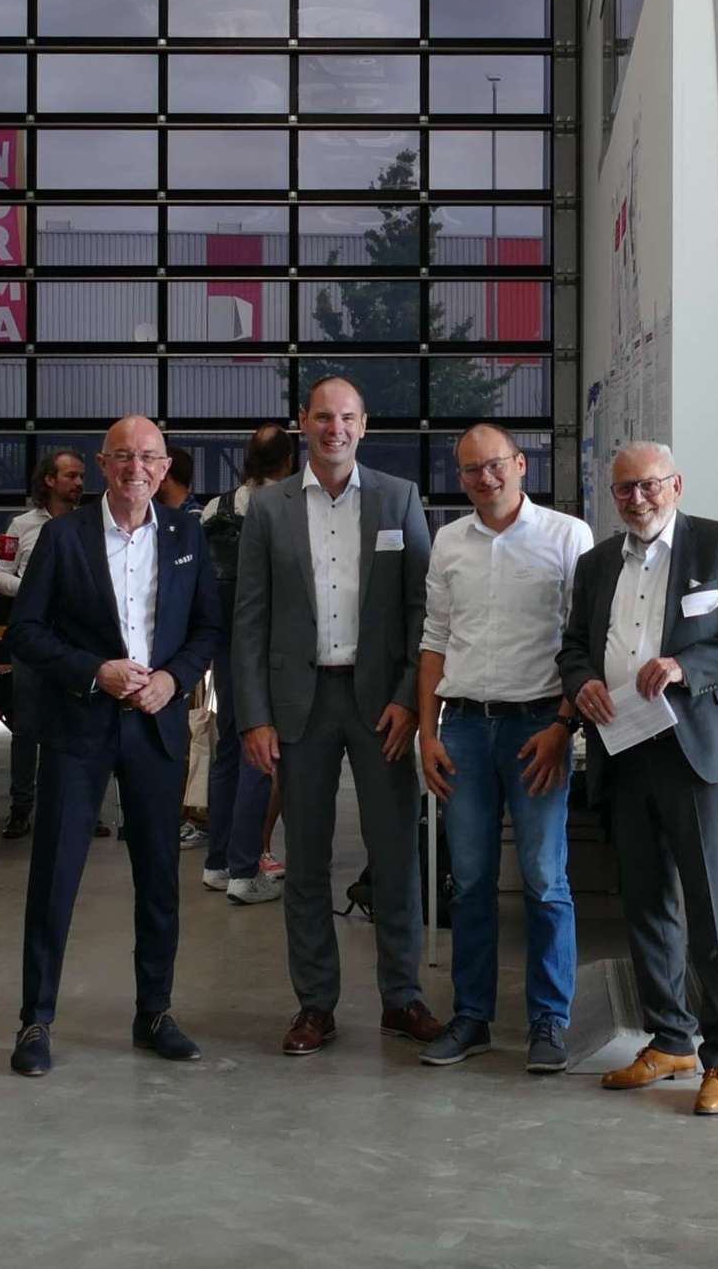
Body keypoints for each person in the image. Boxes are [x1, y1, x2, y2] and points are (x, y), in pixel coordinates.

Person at [231, 374, 443, 1057]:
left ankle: (402, 996)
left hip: (380, 701)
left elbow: (424, 611)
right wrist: (254, 716)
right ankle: (314, 1004)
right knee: (307, 861)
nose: (335, 428)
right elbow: (249, 620)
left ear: (364, 423)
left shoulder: (397, 497)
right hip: (302, 703)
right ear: (303, 422)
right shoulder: (267, 510)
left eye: (347, 416)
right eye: (323, 416)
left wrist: (411, 696)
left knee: (395, 855)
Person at [5, 416, 224, 1076]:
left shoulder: (187, 535)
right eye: (124, 455)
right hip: (80, 721)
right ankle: (35, 1020)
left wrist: (171, 678)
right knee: (56, 875)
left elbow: (208, 626)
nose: (137, 468)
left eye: (149, 457)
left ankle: (154, 1011)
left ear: (165, 467)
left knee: (159, 874)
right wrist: (91, 668)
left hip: (154, 723)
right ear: (104, 464)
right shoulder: (63, 536)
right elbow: (26, 631)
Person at [558, 442, 718, 1118]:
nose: (637, 500)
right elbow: (570, 644)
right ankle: (670, 1036)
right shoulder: (594, 564)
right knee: (646, 903)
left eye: (648, 486)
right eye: (624, 490)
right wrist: (582, 681)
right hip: (623, 752)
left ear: (675, 483)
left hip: (695, 752)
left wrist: (685, 665)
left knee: (711, 909)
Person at [415, 424, 594, 1073]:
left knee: (546, 878)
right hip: (462, 726)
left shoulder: (567, 535)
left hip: (537, 728)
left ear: (520, 464)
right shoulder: (449, 542)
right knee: (469, 882)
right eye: (470, 470)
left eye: (494, 465)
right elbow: (434, 638)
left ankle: (549, 1020)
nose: (484, 479)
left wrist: (564, 724)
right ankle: (472, 1016)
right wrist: (428, 732)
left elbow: (584, 637)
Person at [200, 422, 295, 907]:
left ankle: (217, 862)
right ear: (289, 460)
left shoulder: (216, 507)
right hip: (270, 647)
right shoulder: (288, 505)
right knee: (263, 752)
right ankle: (244, 868)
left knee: (230, 751)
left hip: (223, 645)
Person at [0, 449, 86, 841]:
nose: (79, 483)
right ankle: (21, 806)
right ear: (49, 480)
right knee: (27, 724)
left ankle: (80, 807)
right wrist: (36, 592)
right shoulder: (20, 526)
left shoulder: (89, 525)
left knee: (78, 722)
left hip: (77, 639)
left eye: (82, 477)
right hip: (33, 638)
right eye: (71, 476)